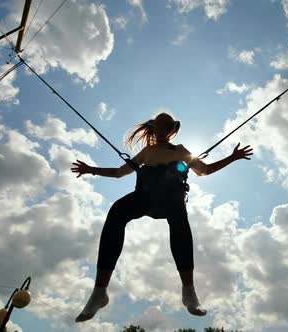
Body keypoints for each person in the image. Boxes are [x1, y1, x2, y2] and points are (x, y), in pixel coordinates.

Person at [71, 112, 253, 322]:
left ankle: (189, 291)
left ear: (171, 130)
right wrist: (90, 169)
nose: (162, 130)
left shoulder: (181, 151)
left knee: (180, 223)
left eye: (167, 127)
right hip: (145, 198)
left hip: (170, 201)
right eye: (159, 126)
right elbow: (119, 172)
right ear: (154, 128)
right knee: (116, 212)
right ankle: (99, 292)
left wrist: (233, 156)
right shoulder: (147, 152)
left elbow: (205, 170)